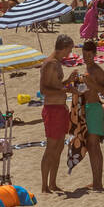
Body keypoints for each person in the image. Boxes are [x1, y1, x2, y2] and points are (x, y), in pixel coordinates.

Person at [40, 36, 75, 193]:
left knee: (59, 146)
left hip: (59, 108)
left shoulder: (56, 63)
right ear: (63, 47)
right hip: (52, 108)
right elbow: (44, 90)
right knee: (51, 147)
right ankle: (44, 185)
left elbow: (55, 85)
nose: (70, 52)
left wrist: (68, 81)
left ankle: (52, 183)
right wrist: (65, 89)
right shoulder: (50, 64)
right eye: (69, 49)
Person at [79, 40, 104, 190]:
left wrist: (92, 84)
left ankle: (98, 182)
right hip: (88, 108)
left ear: (95, 55)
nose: (86, 58)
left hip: (96, 109)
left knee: (95, 145)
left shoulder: (97, 71)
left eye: (89, 55)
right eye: (84, 55)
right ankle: (95, 180)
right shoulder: (87, 69)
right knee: (91, 146)